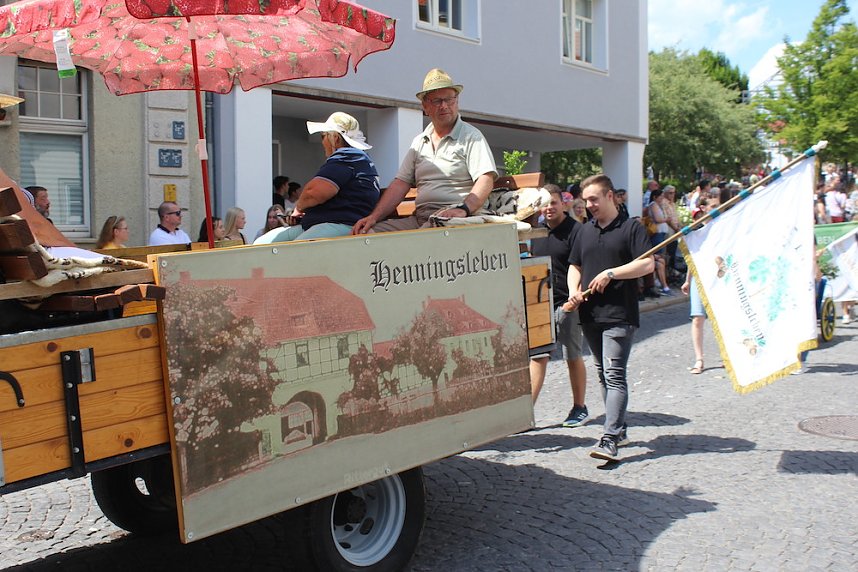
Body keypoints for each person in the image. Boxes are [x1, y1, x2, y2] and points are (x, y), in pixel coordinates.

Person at [567, 174, 655, 462]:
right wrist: (574, 291)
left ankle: (609, 438)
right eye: (586, 200)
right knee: (603, 374)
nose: (589, 205)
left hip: (620, 312)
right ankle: (619, 428)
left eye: (593, 199)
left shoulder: (631, 228)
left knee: (615, 374)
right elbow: (575, 265)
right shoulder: (584, 231)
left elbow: (646, 263)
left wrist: (612, 273)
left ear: (610, 197)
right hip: (590, 313)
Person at [352, 69, 497, 234]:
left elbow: (486, 178)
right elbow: (401, 183)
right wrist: (373, 217)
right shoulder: (420, 141)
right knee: (366, 235)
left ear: (457, 101)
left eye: (449, 99)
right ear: (425, 106)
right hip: (421, 219)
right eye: (436, 101)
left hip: (454, 218)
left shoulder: (471, 136)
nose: (444, 106)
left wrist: (464, 208)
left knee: (424, 236)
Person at [265, 112, 380, 242]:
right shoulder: (358, 158)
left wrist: (298, 209)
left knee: (291, 251)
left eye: (323, 136)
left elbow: (313, 193)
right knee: (261, 244)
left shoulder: (347, 155)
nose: (322, 141)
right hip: (330, 223)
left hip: (340, 224)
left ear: (335, 138)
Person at [528, 184, 588, 428]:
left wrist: (575, 298)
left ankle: (579, 407)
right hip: (541, 304)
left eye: (553, 202)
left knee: (572, 354)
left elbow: (582, 265)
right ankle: (526, 414)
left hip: (567, 303)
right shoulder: (537, 232)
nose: (549, 208)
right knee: (538, 357)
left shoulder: (576, 231)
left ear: (563, 203)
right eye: (545, 203)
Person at [680, 195, 719, 374]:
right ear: (703, 208)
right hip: (699, 278)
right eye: (713, 206)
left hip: (719, 276)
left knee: (722, 319)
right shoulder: (696, 230)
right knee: (697, 318)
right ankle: (699, 359)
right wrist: (687, 280)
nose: (717, 208)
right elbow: (693, 257)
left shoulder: (724, 227)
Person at [647, 189, 672, 294]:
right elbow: (658, 219)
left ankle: (660, 281)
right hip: (657, 234)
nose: (662, 198)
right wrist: (667, 219)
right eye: (660, 196)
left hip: (661, 233)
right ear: (655, 197)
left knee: (662, 257)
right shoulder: (653, 205)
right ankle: (659, 282)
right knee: (659, 256)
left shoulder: (659, 205)